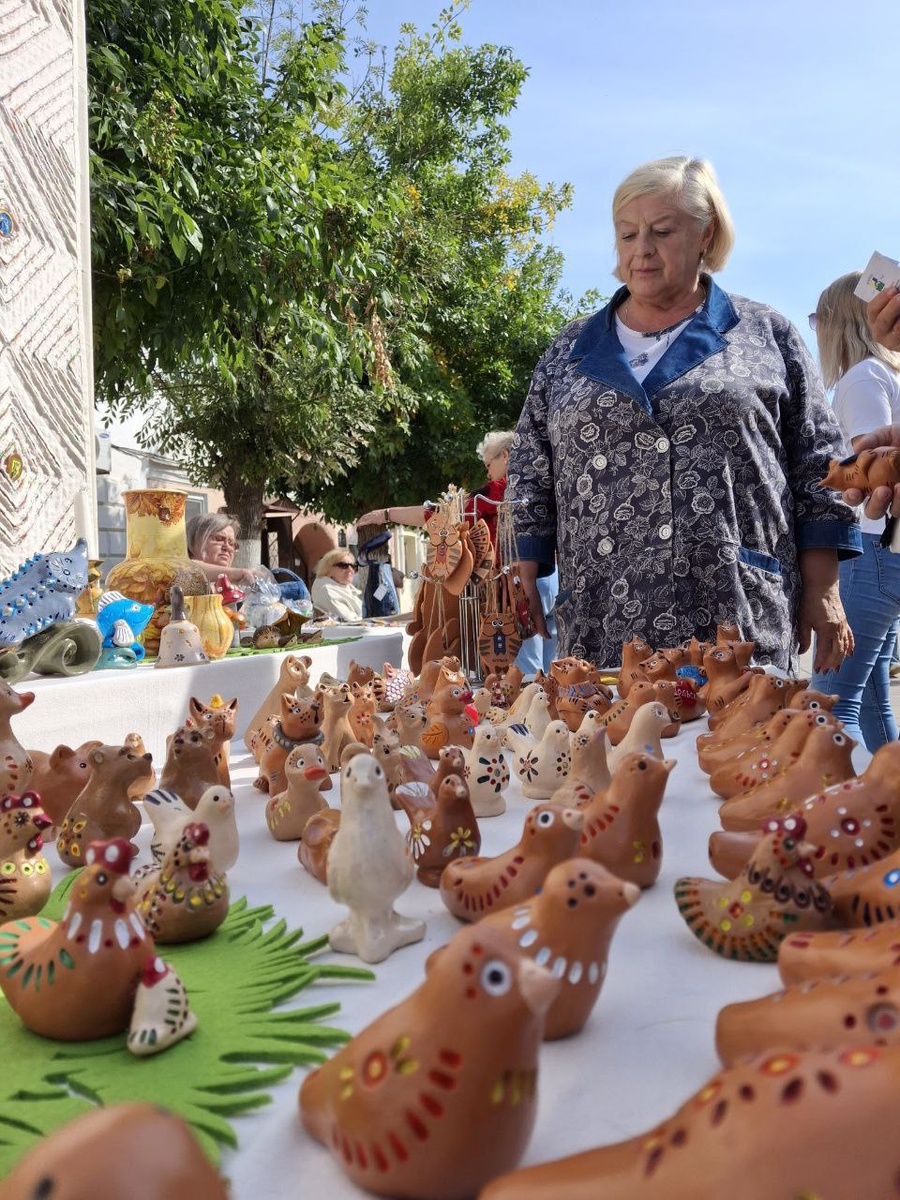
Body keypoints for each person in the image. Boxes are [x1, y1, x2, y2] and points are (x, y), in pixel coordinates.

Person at [508, 155, 860, 673]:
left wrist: (824, 589)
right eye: (627, 235)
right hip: (604, 624)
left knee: (746, 752)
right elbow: (530, 471)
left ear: (706, 234)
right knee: (611, 753)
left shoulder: (765, 335)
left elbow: (820, 466)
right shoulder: (571, 352)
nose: (641, 250)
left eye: (661, 231)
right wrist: (523, 576)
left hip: (733, 616)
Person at [806, 272, 900, 749]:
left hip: (872, 546)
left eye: (818, 319)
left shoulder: (861, 376)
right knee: (871, 702)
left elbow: (874, 464)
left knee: (826, 709)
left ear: (839, 322)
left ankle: (832, 816)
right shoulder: (887, 373)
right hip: (889, 546)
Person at [186, 513, 258, 586]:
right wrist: (235, 573)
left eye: (232, 544)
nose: (228, 548)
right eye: (219, 539)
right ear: (193, 541)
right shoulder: (179, 576)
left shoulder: (237, 589)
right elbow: (187, 568)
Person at [310, 548, 364, 622]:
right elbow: (349, 619)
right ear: (328, 569)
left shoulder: (348, 589)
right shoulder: (327, 591)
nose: (350, 570)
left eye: (353, 566)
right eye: (343, 565)